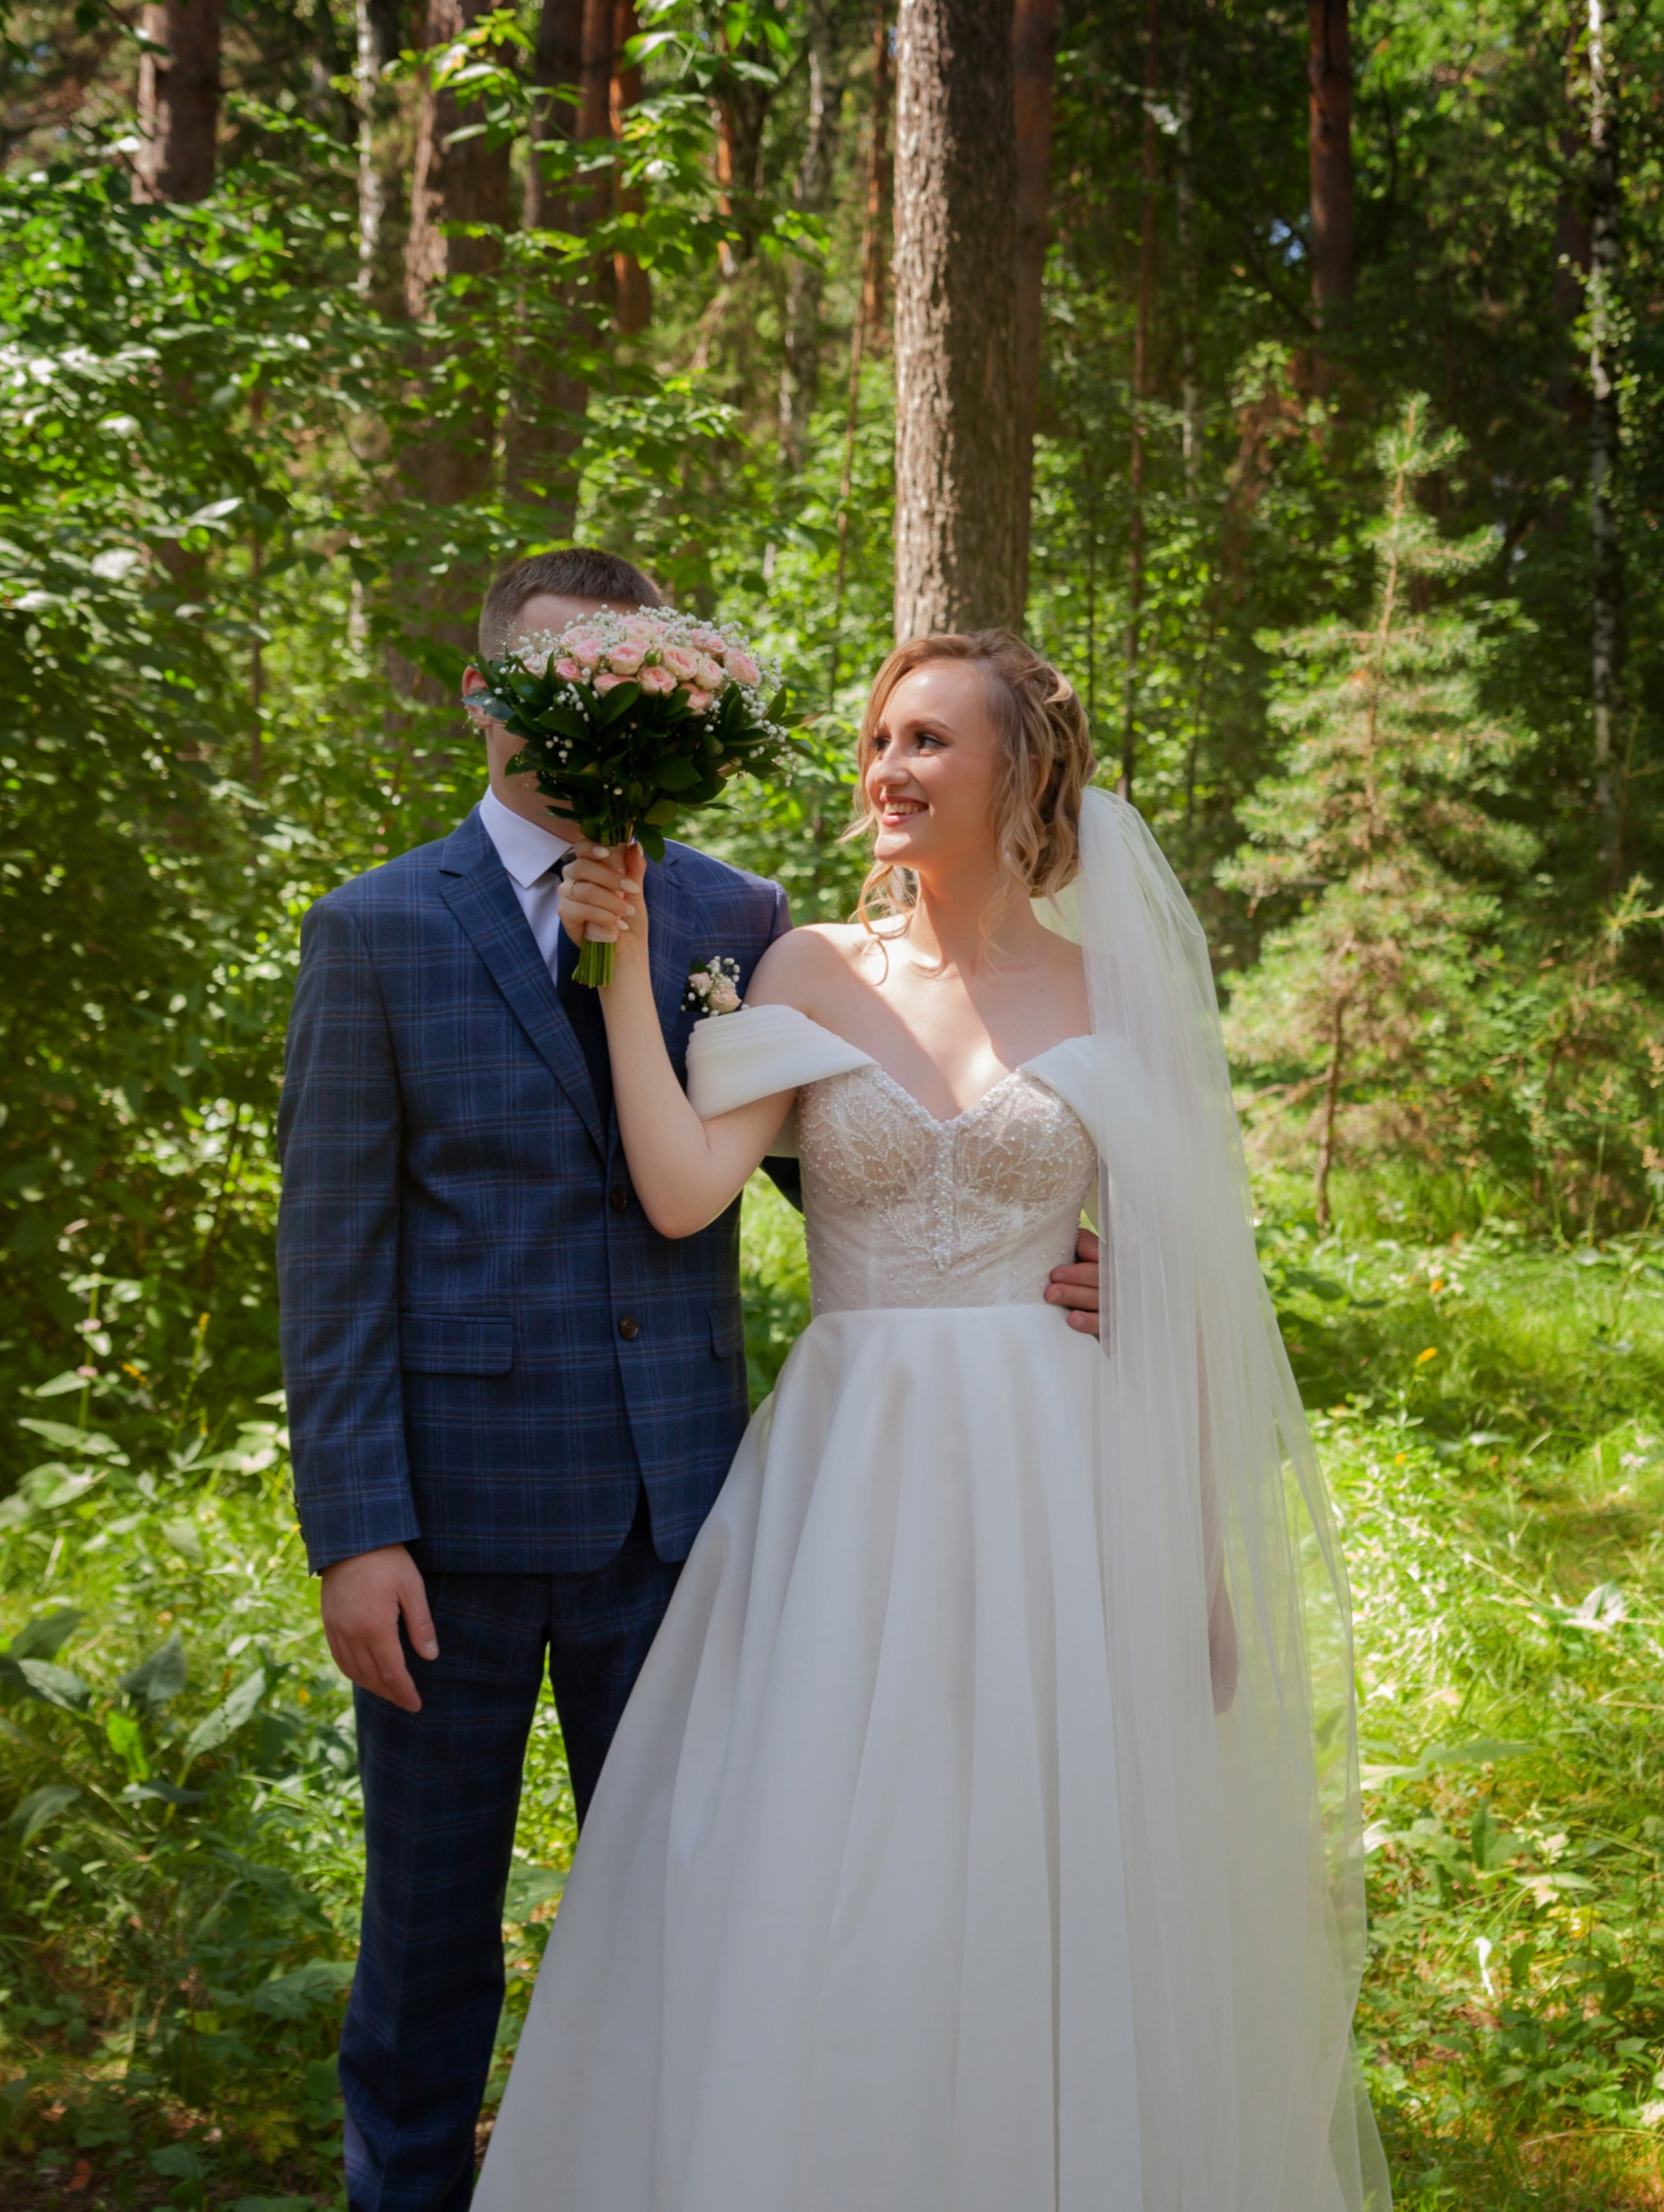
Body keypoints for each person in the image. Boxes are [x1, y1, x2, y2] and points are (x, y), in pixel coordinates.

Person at [476, 629, 1390, 2212]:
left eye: (929, 743)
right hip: (855, 1475)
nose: (888, 770)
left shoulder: (1119, 995)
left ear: (1018, 776)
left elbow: (1191, 1294)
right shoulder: (815, 968)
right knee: (840, 1873)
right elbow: (690, 1189)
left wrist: (1201, 1562)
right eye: (880, 740)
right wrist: (626, 976)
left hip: (1062, 1477)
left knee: (1048, 1869)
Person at [276, 558, 1104, 2212]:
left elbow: (846, 1153)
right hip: (451, 1525)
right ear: (484, 693)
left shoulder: (739, 921)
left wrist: (1038, 1254)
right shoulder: (374, 929)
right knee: (426, 1941)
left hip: (696, 1522)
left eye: (624, 687)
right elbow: (333, 1247)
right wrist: (356, 1527)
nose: (585, 718)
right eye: (551, 681)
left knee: (706, 1922)